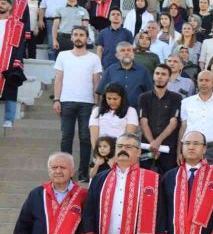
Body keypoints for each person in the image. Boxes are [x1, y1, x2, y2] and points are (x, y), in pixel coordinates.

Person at [53, 26, 102, 182]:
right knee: (66, 138)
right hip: (66, 101)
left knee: (85, 138)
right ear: (72, 38)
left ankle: (83, 172)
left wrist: (96, 103)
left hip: (87, 103)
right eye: (76, 34)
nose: (78, 37)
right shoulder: (63, 55)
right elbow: (59, 79)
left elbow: (96, 82)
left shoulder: (94, 58)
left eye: (82, 35)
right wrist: (56, 99)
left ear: (87, 38)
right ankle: (66, 172)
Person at [179, 70, 213, 167]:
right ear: (197, 82)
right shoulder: (186, 102)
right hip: (191, 149)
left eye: (207, 80)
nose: (203, 83)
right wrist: (179, 151)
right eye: (201, 80)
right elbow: (183, 127)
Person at [139, 64, 182, 174]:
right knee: (144, 177)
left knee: (166, 180)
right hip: (147, 149)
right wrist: (152, 144)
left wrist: (158, 141)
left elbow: (173, 122)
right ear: (153, 76)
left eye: (163, 74)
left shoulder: (176, 98)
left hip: (168, 149)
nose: (160, 76)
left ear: (169, 77)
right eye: (157, 73)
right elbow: (143, 121)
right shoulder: (143, 97)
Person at [0, 0, 29, 128]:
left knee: (10, 87)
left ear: (10, 7)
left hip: (9, 58)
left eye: (3, 3)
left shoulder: (17, 24)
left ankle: (9, 119)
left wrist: (17, 61)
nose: (0, 5)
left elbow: (20, 44)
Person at [95, 42, 153, 110]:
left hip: (136, 112)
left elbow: (150, 94)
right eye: (122, 50)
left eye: (129, 50)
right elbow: (102, 92)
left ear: (133, 54)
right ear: (117, 55)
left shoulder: (143, 71)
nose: (126, 53)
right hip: (114, 113)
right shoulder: (110, 70)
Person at [89, 82, 139, 148]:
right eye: (109, 98)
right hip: (102, 151)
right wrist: (97, 154)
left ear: (122, 98)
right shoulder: (96, 111)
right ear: (105, 98)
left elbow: (128, 136)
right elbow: (94, 138)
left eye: (115, 99)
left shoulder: (131, 111)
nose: (112, 102)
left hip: (121, 150)